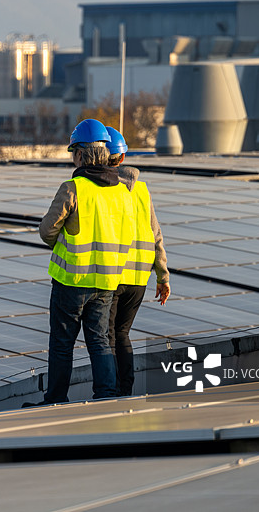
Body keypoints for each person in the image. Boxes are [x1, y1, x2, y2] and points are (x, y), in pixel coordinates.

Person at [28, 119, 137, 405]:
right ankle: (106, 397)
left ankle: (56, 399)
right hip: (106, 282)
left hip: (71, 282)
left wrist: (62, 243)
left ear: (80, 154)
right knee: (100, 341)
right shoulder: (123, 192)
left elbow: (46, 230)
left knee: (62, 345)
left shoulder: (73, 188)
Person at [105, 126, 170, 396]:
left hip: (113, 275)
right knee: (122, 334)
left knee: (106, 337)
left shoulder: (105, 189)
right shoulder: (141, 190)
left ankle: (111, 390)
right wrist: (163, 276)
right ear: (122, 157)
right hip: (139, 280)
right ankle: (126, 390)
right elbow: (156, 234)